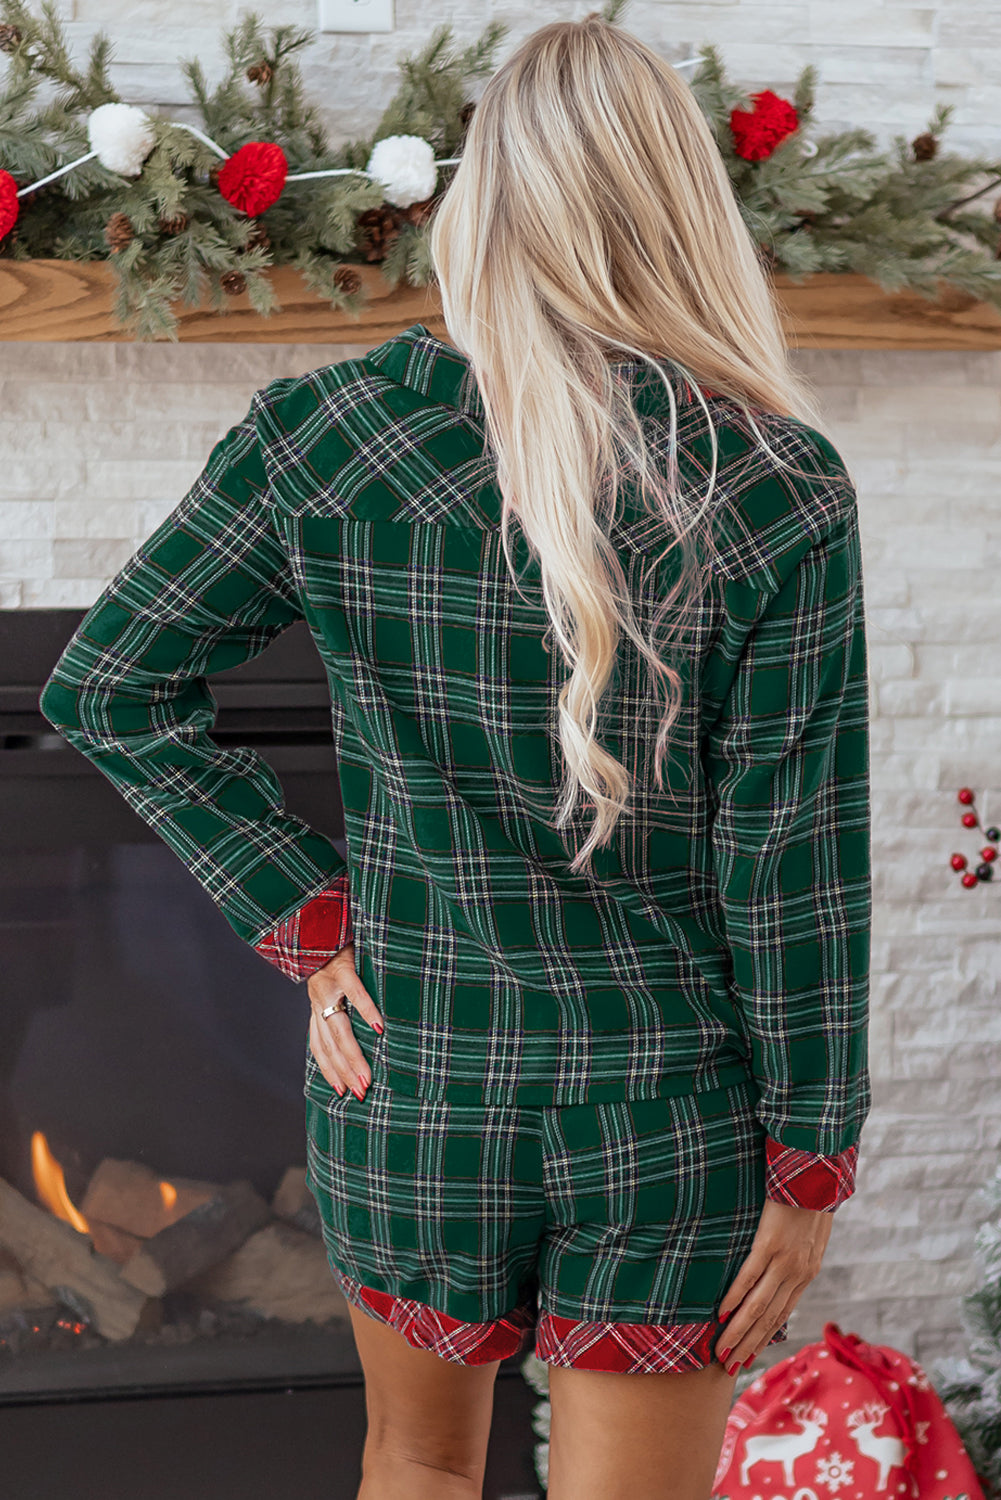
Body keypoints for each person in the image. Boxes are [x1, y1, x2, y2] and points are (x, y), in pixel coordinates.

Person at [39, 13, 871, 1500]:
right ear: (680, 206)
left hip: (414, 1075)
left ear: (480, 200)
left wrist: (308, 923)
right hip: (665, 1104)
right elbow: (791, 861)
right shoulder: (775, 481)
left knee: (416, 1467)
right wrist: (810, 1159)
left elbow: (112, 685)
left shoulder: (326, 434)